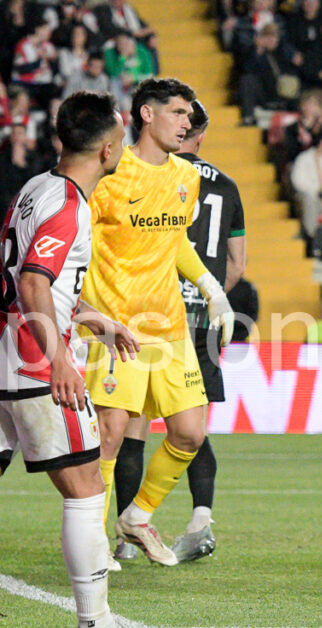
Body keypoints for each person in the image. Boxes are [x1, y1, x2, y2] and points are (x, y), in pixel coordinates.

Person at [0, 90, 164, 628]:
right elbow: (32, 283)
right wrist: (59, 361)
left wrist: (96, 319)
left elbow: (34, 280)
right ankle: (96, 627)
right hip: (32, 364)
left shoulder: (34, 189)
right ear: (108, 150)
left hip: (6, 356)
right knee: (87, 488)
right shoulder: (69, 206)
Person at [81, 78, 235, 567]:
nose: (187, 123)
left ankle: (137, 516)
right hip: (117, 327)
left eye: (189, 115)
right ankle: (92, 541)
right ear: (146, 114)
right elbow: (79, 243)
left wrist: (212, 289)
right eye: (178, 112)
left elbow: (176, 241)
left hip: (169, 327)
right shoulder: (110, 175)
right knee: (110, 434)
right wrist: (85, 312)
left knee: (190, 433)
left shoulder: (185, 176)